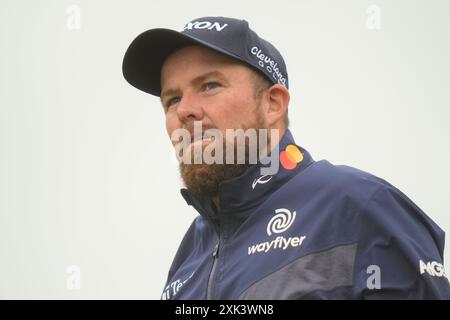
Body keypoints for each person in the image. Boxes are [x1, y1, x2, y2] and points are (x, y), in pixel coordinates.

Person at [122, 16, 450, 299]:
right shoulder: (189, 253)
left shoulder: (359, 206)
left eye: (209, 85)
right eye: (172, 98)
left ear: (274, 104)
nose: (185, 111)